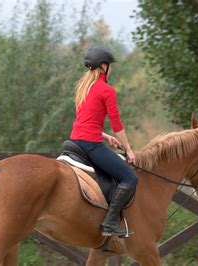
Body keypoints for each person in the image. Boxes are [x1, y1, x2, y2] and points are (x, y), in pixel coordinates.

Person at [70, 46, 138, 237]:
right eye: (111, 66)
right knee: (130, 177)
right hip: (90, 145)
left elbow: (85, 121)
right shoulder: (106, 90)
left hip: (76, 141)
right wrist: (129, 150)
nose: (112, 70)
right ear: (104, 66)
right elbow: (117, 125)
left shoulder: (84, 88)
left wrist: (105, 136)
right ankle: (109, 223)